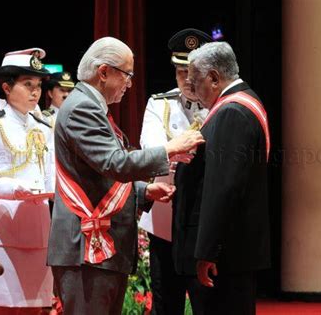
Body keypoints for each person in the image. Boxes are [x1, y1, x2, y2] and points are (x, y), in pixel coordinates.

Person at [46, 36, 204, 315]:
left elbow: (99, 174)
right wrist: (169, 149)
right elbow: (114, 163)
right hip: (85, 248)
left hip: (97, 248)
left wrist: (144, 191)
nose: (130, 84)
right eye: (127, 75)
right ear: (104, 72)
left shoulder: (92, 107)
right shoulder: (83, 108)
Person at [172, 41, 271, 314]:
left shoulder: (232, 111)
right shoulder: (241, 104)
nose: (192, 90)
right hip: (231, 251)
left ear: (214, 78)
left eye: (195, 82)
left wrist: (207, 252)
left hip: (224, 257)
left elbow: (223, 189)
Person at [0, 48, 55, 314]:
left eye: (38, 85)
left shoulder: (43, 126)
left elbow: (50, 173)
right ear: (6, 87)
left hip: (39, 232)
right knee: (4, 308)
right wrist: (15, 190)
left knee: (34, 310)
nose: (35, 92)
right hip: (2, 232)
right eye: (27, 84)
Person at [139, 28, 211, 315]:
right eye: (181, 72)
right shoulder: (159, 104)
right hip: (164, 222)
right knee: (165, 303)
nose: (188, 81)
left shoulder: (219, 106)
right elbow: (150, 153)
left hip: (203, 224)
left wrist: (171, 152)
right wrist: (175, 154)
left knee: (206, 303)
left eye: (193, 73)